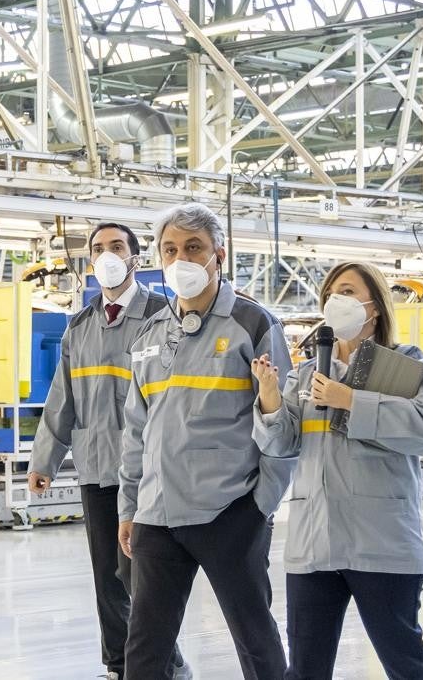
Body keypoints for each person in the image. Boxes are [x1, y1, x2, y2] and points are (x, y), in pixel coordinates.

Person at [117, 202, 294, 680]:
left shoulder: (254, 325)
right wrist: (129, 506)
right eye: (170, 250)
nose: (181, 260)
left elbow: (285, 424)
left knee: (254, 637)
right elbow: (137, 430)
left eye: (193, 248)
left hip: (229, 512)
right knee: (145, 646)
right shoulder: (151, 332)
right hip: (157, 514)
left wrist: (260, 505)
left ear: (220, 252)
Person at [251, 262, 423, 680]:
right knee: (304, 669)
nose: (338, 300)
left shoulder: (405, 363)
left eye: (350, 291)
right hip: (314, 542)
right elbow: (281, 444)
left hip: (381, 541)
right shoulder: (306, 373)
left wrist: (351, 400)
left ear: (375, 306)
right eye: (333, 292)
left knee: (405, 662)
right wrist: (269, 399)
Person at [28, 222, 190, 680]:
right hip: (96, 468)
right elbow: (63, 397)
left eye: (116, 247)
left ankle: (163, 665)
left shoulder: (166, 315)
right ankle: (120, 666)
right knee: (108, 579)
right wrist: (45, 459)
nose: (106, 255)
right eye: (98, 249)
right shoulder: (79, 327)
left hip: (149, 472)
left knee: (140, 577)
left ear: (136, 257)